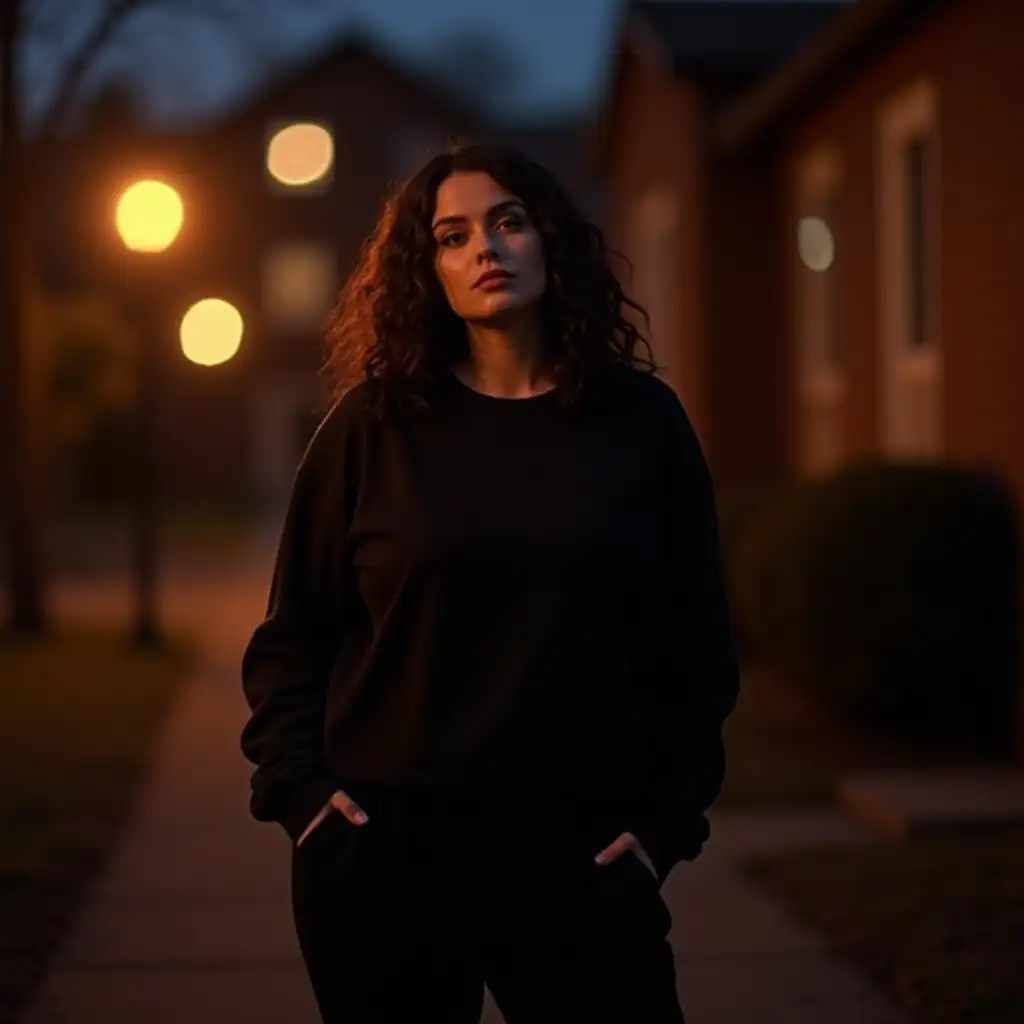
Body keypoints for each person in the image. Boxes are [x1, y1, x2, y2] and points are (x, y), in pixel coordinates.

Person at [239, 141, 740, 1023]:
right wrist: (306, 801)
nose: (486, 248)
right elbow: (293, 637)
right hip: (386, 858)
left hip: (579, 855)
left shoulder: (641, 425)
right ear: (427, 271)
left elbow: (693, 645)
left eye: (509, 221)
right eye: (452, 235)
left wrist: (662, 829)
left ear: (551, 238)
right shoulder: (373, 428)